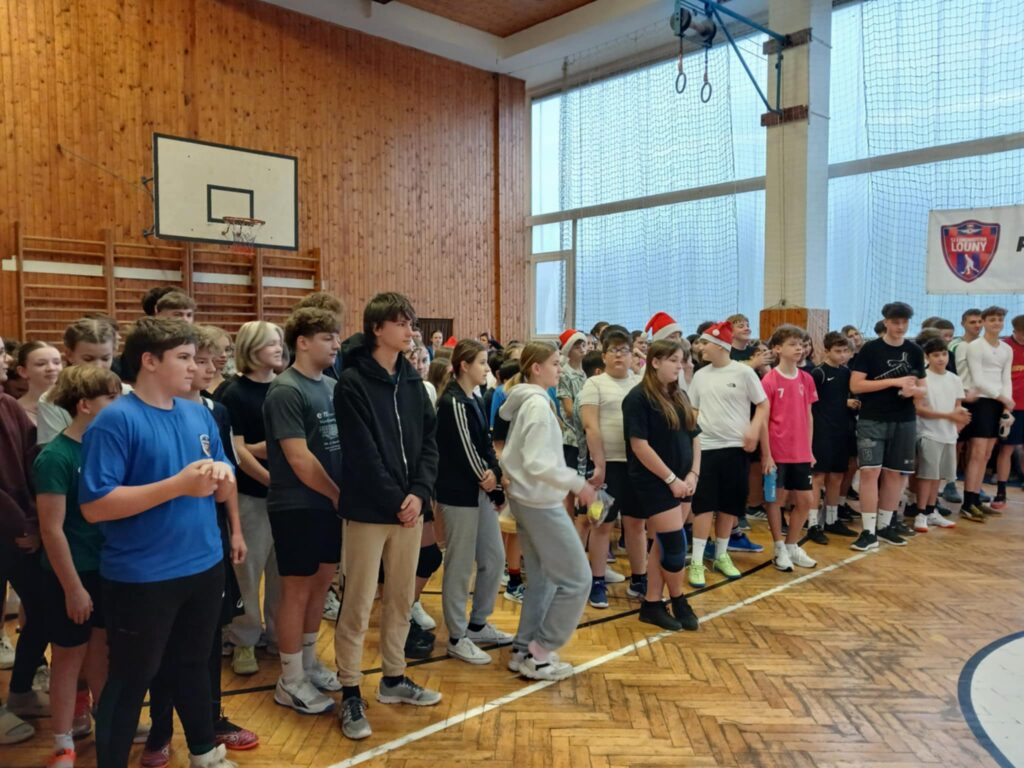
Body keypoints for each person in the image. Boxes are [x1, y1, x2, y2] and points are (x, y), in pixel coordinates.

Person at [80, 317, 237, 768]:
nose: (195, 367)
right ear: (149, 361)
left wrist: (222, 476)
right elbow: (96, 506)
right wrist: (177, 486)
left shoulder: (198, 413)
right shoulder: (116, 420)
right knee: (132, 679)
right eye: (184, 358)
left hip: (203, 566)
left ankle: (204, 753)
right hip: (142, 576)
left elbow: (222, 480)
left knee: (193, 665)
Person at [143, 325, 256, 765]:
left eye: (211, 360)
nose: (207, 368)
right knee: (162, 647)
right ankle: (159, 729)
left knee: (205, 641)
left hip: (210, 541)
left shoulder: (215, 411)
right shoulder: (145, 413)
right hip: (163, 550)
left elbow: (226, 475)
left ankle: (210, 722)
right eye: (196, 359)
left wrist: (236, 530)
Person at [333, 292, 440, 741]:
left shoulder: (413, 382)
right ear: (377, 329)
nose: (411, 331)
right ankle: (350, 689)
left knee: (400, 599)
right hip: (369, 511)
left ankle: (394, 678)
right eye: (402, 323)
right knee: (357, 603)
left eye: (411, 323)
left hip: (409, 512)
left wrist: (418, 493)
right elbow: (362, 454)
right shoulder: (352, 383)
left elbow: (429, 443)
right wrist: (398, 499)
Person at [35, 366, 120, 768]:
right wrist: (72, 587)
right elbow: (51, 529)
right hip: (71, 573)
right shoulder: (56, 456)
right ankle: (62, 742)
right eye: (111, 399)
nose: (120, 406)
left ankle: (107, 724)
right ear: (85, 405)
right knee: (69, 656)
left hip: (107, 568)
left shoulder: (108, 449)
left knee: (100, 650)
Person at [499, 342, 596, 680]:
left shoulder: (530, 401)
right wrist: (578, 484)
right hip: (540, 503)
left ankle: (523, 649)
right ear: (536, 368)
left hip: (528, 501)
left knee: (543, 580)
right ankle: (540, 655)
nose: (560, 368)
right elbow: (537, 462)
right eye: (555, 363)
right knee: (578, 580)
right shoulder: (537, 406)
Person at [263, 308, 343, 714]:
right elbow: (299, 458)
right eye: (327, 337)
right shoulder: (285, 390)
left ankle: (309, 663)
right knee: (296, 589)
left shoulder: (331, 386)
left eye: (337, 336)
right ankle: (290, 679)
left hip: (328, 504)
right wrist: (336, 494)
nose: (336, 344)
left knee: (321, 583)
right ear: (303, 342)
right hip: (296, 505)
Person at [435, 339, 513, 665]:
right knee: (460, 564)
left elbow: (484, 443)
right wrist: (487, 477)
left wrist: (495, 474)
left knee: (493, 558)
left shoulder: (476, 398)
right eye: (481, 362)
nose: (486, 368)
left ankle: (478, 624)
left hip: (479, 492)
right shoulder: (452, 402)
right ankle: (456, 636)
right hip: (458, 495)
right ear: (464, 366)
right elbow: (466, 450)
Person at [220, 321, 284, 678]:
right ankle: (243, 638)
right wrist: (270, 479)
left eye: (279, 342)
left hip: (286, 499)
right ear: (251, 349)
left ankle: (276, 633)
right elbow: (238, 450)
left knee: (281, 572)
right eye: (270, 343)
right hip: (251, 496)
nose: (278, 348)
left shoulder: (284, 387)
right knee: (247, 572)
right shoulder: (235, 393)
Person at [622, 340, 701, 632]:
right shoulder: (637, 398)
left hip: (683, 480)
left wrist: (693, 474)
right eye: (674, 360)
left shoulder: (679, 394)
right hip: (655, 482)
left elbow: (695, 435)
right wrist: (671, 479)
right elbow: (639, 446)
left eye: (682, 360)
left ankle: (652, 604)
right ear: (655, 362)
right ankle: (679, 599)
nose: (680, 366)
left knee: (663, 545)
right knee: (675, 545)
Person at [686, 321, 768, 588]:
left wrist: (754, 429)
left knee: (729, 505)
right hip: (706, 449)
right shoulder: (700, 375)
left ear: (720, 345)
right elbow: (694, 410)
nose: (700, 347)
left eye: (705, 343)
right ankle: (697, 560)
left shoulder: (744, 373)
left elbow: (763, 404)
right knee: (703, 506)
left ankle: (721, 555)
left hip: (736, 448)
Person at [0, 334, 47, 746]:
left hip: (20, 533)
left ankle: (20, 692)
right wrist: (24, 527)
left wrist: (37, 521)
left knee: (45, 609)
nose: (4, 359)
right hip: (12, 531)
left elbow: (33, 463)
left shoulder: (9, 405)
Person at [848, 302, 926, 551]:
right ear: (886, 322)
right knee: (870, 472)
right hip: (873, 418)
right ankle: (868, 531)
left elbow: (923, 388)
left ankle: (884, 526)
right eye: (895, 322)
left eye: (904, 322)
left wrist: (913, 391)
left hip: (904, 420)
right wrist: (894, 382)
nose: (900, 327)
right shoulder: (871, 349)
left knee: (895, 474)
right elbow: (856, 385)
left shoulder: (914, 350)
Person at [578, 325, 642, 609]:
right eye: (613, 350)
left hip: (637, 466)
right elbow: (590, 426)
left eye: (624, 350)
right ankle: (597, 581)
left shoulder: (640, 383)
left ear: (632, 355)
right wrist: (600, 465)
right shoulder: (594, 384)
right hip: (605, 468)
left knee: (636, 524)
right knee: (601, 524)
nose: (619, 355)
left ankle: (639, 579)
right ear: (603, 356)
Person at [759, 325, 820, 571]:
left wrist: (809, 448)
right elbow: (763, 420)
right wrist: (767, 455)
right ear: (777, 349)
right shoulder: (769, 380)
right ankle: (778, 548)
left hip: (800, 452)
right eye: (793, 344)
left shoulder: (807, 379)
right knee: (776, 499)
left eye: (802, 345)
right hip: (777, 452)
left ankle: (792, 545)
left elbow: (809, 416)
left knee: (806, 500)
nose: (799, 349)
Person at [960, 306, 1014, 519]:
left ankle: (976, 499)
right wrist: (1002, 397)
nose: (997, 323)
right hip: (982, 402)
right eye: (992, 319)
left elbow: (1006, 378)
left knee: (987, 454)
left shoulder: (1006, 349)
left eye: (1000, 319)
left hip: (998, 403)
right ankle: (967, 503)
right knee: (977, 452)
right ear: (984, 322)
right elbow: (978, 380)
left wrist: (1007, 405)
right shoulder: (975, 346)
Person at [37, 318, 126, 446]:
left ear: (114, 354)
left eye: (105, 358)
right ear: (69, 355)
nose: (98, 366)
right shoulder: (50, 400)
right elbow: (54, 451)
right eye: (88, 359)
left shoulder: (127, 393)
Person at [913, 337, 967, 531]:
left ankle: (931, 511)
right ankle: (920, 513)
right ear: (927, 357)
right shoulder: (923, 378)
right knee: (927, 476)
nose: (941, 358)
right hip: (928, 433)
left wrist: (959, 421)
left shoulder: (954, 379)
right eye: (936, 355)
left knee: (937, 477)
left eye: (944, 354)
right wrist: (948, 415)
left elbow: (958, 407)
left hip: (948, 435)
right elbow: (919, 409)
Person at [810, 332, 859, 539]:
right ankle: (812, 523)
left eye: (845, 351)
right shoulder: (818, 373)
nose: (842, 355)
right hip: (822, 432)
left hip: (842, 431)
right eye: (837, 351)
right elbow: (812, 403)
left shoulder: (847, 373)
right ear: (826, 351)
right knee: (818, 476)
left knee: (837, 475)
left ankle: (831, 519)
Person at [993, 314, 1024, 510]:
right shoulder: (1004, 348)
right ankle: (1001, 492)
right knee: (1007, 449)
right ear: (1014, 331)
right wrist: (1004, 405)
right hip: (1012, 407)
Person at [15, 341, 63, 425]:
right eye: (41, 364)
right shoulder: (14, 409)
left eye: (56, 363)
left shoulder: (75, 402)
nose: (51, 368)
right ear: (23, 371)